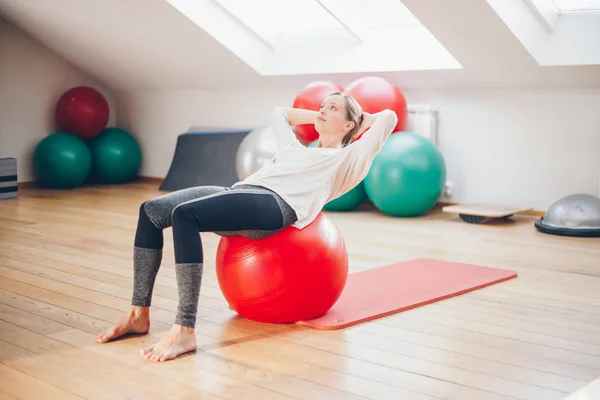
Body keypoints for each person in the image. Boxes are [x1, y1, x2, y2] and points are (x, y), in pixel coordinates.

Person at [96, 91, 398, 362]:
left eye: (332, 108)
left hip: (275, 206)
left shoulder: (347, 159)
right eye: (322, 105)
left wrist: (361, 120)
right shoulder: (295, 147)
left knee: (185, 216)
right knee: (151, 210)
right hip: (242, 190)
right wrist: (323, 114)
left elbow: (389, 117)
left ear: (349, 126)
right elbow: (279, 113)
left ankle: (184, 328)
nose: (322, 109)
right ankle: (138, 314)